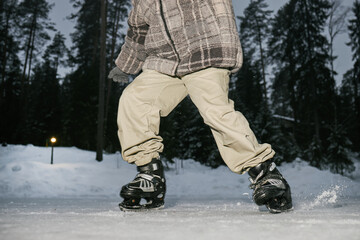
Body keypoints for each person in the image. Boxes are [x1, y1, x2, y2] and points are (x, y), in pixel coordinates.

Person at [108, 0, 292, 213]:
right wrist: (125, 66)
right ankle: (150, 174)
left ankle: (265, 174)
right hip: (165, 62)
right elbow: (138, 33)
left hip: (206, 50)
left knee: (215, 110)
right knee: (134, 99)